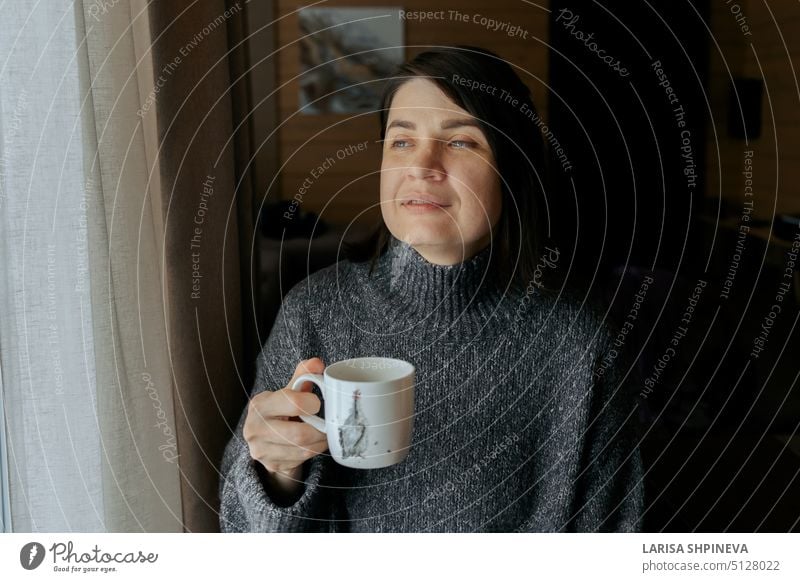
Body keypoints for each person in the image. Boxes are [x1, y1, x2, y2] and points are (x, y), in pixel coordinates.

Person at [219, 46, 645, 532]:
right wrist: (279, 476)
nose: (421, 165)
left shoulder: (577, 342)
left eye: (461, 142)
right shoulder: (314, 311)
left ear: (513, 170)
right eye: (401, 142)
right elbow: (239, 530)